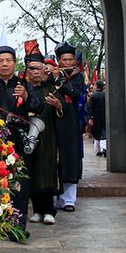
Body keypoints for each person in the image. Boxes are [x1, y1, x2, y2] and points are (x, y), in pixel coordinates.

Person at [0, 46, 39, 241]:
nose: (5, 64)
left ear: (15, 63)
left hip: (18, 140)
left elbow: (38, 106)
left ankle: (17, 227)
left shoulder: (24, 84)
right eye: (0, 61)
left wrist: (26, 96)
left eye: (8, 60)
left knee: (20, 183)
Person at [24, 52, 61, 227]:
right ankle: (37, 210)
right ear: (27, 70)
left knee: (46, 170)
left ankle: (49, 210)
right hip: (26, 135)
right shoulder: (23, 88)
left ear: (44, 71)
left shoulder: (51, 89)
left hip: (47, 136)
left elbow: (62, 113)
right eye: (32, 69)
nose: (36, 72)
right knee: (31, 171)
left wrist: (58, 106)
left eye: (39, 69)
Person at [52, 43, 86, 211]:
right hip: (54, 122)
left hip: (71, 123)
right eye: (64, 60)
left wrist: (60, 79)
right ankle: (54, 197)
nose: (68, 63)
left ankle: (69, 200)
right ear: (58, 60)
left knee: (70, 159)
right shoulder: (52, 75)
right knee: (54, 159)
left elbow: (75, 93)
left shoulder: (78, 77)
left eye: (70, 59)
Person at [88, 81, 107, 157]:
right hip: (104, 116)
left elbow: (90, 107)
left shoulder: (93, 96)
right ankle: (104, 148)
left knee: (96, 134)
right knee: (104, 133)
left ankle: (98, 150)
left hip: (95, 117)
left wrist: (90, 117)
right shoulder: (105, 95)